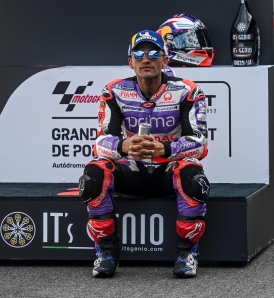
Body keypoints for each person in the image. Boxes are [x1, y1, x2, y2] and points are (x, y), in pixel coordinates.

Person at [78, 29, 210, 278]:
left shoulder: (188, 91)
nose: (146, 58)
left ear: (165, 59)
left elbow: (200, 144)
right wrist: (123, 147)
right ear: (131, 62)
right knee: (94, 173)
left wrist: (166, 149)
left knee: (192, 175)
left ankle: (187, 254)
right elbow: (100, 142)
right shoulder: (113, 91)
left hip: (167, 171)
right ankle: (105, 254)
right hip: (132, 171)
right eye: (139, 53)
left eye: (153, 53)